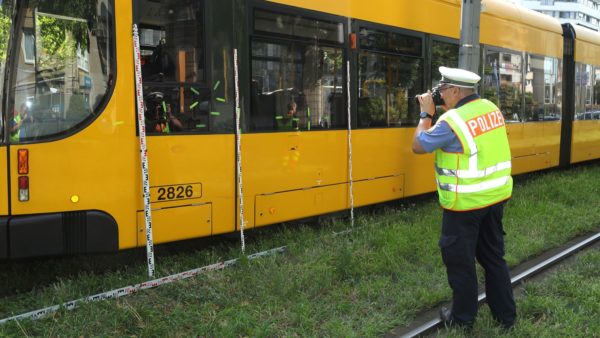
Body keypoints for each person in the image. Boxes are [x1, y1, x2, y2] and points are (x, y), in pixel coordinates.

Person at [412, 67, 516, 330]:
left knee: (461, 264)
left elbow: (419, 145)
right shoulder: (491, 108)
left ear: (456, 91)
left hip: (464, 206)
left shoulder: (453, 122)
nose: (440, 94)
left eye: (443, 90)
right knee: (494, 259)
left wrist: (426, 114)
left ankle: (462, 321)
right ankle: (506, 318)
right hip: (494, 199)